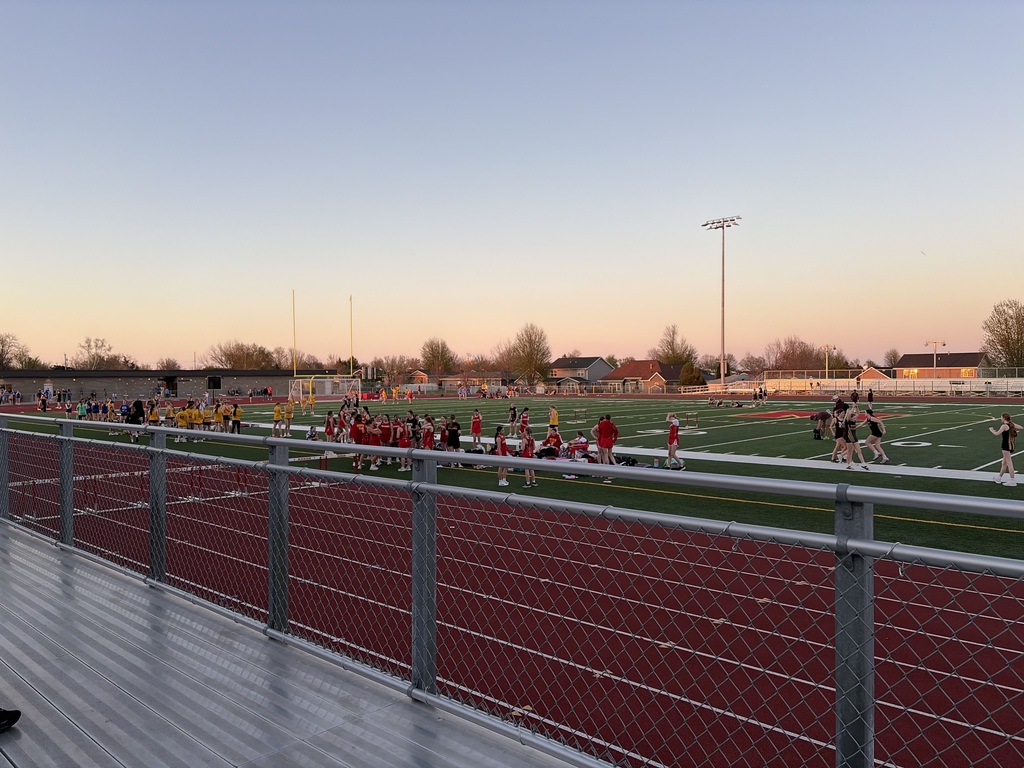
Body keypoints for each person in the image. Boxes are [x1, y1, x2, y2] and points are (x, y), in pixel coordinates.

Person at [989, 413, 1022, 487]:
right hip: (1011, 446)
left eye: (1001, 417)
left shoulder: (1004, 426)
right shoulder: (1011, 424)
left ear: (1004, 418)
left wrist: (992, 430)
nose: (1000, 418)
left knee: (1009, 463)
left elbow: (997, 434)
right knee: (1004, 463)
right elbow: (1021, 427)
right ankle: (999, 478)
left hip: (1006, 446)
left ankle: (1012, 480)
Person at [591, 414, 619, 482]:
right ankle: (615, 466)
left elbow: (599, 431)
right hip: (610, 439)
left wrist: (598, 439)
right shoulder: (611, 424)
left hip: (604, 440)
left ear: (605, 418)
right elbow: (616, 431)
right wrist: (614, 439)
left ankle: (607, 468)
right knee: (610, 454)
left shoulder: (602, 424)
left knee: (605, 454)